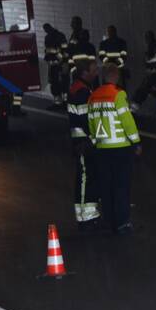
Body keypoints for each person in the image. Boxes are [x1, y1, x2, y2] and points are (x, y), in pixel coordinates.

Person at [87, 64, 142, 235]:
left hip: (102, 148)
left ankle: (109, 221)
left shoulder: (93, 96)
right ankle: (122, 223)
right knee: (121, 186)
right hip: (120, 148)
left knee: (106, 186)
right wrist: (136, 142)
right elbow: (127, 120)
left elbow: (91, 122)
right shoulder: (118, 94)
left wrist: (95, 141)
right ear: (116, 77)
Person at [68, 58, 101, 230]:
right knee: (85, 178)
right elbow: (85, 119)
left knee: (89, 177)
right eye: (94, 70)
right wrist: (95, 136)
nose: (96, 73)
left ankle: (90, 215)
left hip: (83, 141)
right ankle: (85, 218)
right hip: (83, 142)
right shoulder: (81, 91)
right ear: (84, 72)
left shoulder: (81, 88)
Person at [131, 30, 156, 111]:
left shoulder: (155, 47)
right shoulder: (153, 46)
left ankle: (133, 108)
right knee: (150, 91)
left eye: (146, 38)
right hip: (155, 75)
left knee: (144, 90)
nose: (146, 40)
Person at [43, 23, 68, 107]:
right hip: (55, 64)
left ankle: (61, 102)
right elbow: (48, 50)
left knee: (60, 83)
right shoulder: (51, 37)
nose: (46, 31)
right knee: (57, 83)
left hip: (59, 64)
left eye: (46, 30)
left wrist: (60, 59)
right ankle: (62, 102)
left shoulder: (58, 36)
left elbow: (64, 49)